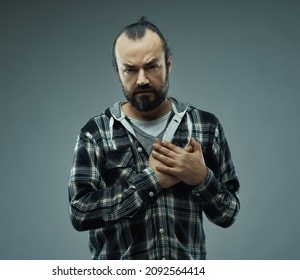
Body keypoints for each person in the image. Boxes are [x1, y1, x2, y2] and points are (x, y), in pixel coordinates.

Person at [68, 17, 240, 260]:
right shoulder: (96, 132)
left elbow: (228, 213)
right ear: (118, 71)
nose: (142, 79)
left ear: (168, 65)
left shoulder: (205, 126)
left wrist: (201, 178)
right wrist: (151, 180)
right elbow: (80, 212)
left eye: (152, 66)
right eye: (130, 69)